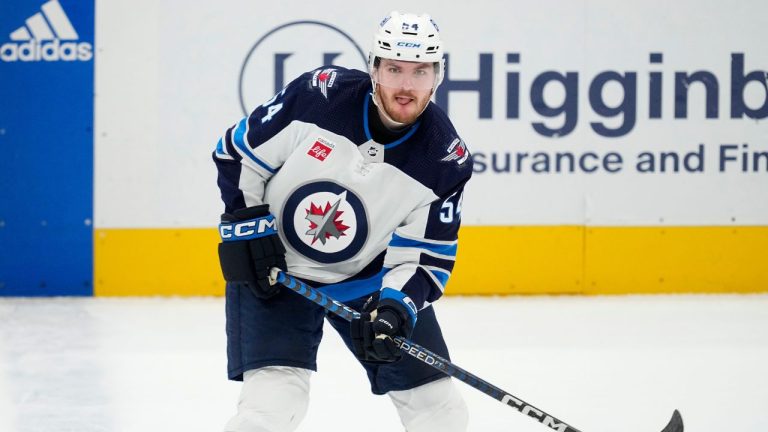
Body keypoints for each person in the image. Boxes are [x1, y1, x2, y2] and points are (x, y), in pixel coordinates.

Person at [213, 11, 472, 432]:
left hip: (369, 282)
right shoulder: (320, 97)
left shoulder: (444, 159)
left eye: (420, 72)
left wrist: (396, 308)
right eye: (394, 69)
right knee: (271, 408)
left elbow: (426, 258)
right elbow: (238, 153)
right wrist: (247, 226)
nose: (406, 86)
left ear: (437, 76)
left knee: (438, 407)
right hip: (275, 270)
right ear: (374, 68)